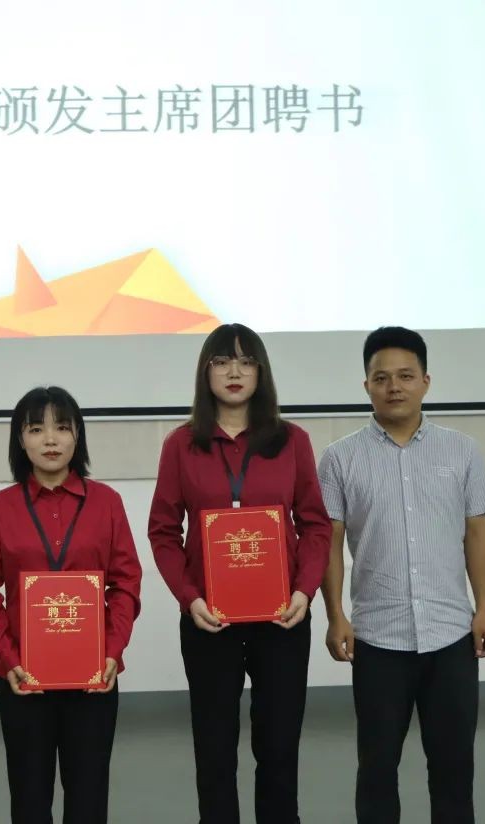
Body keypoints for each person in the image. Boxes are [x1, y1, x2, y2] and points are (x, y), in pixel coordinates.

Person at [148, 323, 332, 824]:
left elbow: (316, 525)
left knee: (279, 750)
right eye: (222, 361)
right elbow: (163, 531)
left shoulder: (293, 441)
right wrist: (189, 598)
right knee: (214, 751)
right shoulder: (181, 444)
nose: (235, 372)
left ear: (261, 372)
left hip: (282, 619)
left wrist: (304, 591)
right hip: (210, 621)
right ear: (205, 372)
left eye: (247, 361)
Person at [317, 326, 485, 824]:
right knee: (377, 768)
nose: (393, 386)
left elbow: (477, 534)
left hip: (451, 634)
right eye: (381, 378)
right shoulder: (339, 458)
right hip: (378, 638)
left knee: (454, 768)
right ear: (366, 386)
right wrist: (336, 616)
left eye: (405, 375)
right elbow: (328, 544)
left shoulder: (461, 451)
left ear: (425, 381)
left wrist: (483, 610)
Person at [0, 386, 142, 824]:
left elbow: (126, 584)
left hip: (94, 678)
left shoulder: (107, 503)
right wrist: (9, 657)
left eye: (62, 428)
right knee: (29, 800)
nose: (50, 439)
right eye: (36, 429)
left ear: (77, 436)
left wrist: (112, 651)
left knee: (88, 799)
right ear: (20, 439)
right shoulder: (0, 508)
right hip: (24, 679)